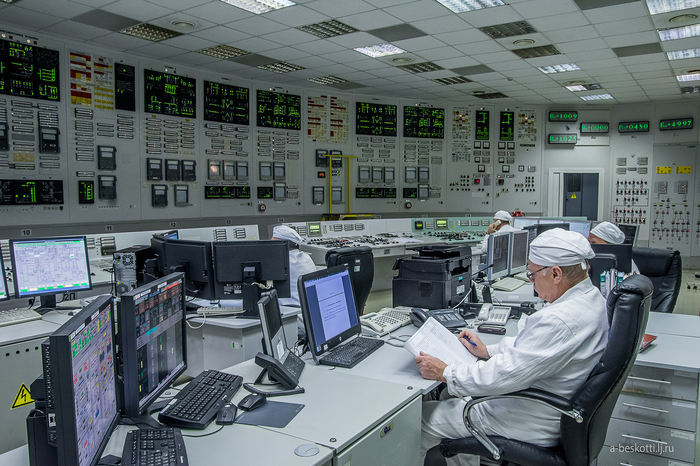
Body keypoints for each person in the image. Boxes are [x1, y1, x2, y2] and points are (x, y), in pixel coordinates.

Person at [416, 229, 609, 466]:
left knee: (419, 421)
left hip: (527, 418)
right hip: (548, 405)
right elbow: (531, 350)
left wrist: (445, 372)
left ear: (556, 274)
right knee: (450, 396)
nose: (532, 282)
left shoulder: (561, 320)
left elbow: (506, 374)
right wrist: (487, 351)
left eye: (533, 274)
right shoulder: (592, 299)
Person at [270, 225, 318, 307]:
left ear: (280, 244)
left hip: (290, 308)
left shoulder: (281, 262)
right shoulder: (306, 257)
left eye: (272, 242)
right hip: (308, 306)